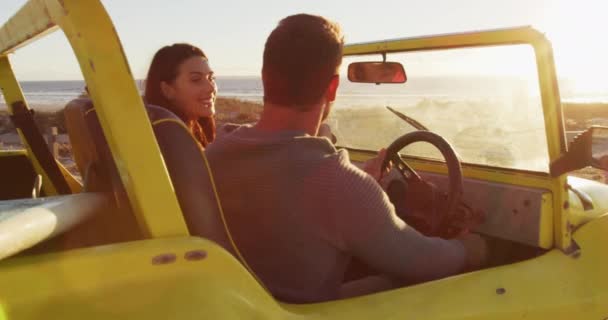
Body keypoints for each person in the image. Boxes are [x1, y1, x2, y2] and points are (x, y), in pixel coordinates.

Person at [205, 14, 486, 303]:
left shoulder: (213, 154)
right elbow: (424, 261)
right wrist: (470, 247)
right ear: (333, 88)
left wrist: (360, 181)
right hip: (307, 310)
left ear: (264, 77)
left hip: (240, 303)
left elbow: (290, 183)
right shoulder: (341, 186)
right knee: (396, 283)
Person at [144, 43, 217, 147]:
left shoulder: (197, 134)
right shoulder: (165, 146)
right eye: (196, 79)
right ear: (167, 90)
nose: (211, 88)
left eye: (211, 78)